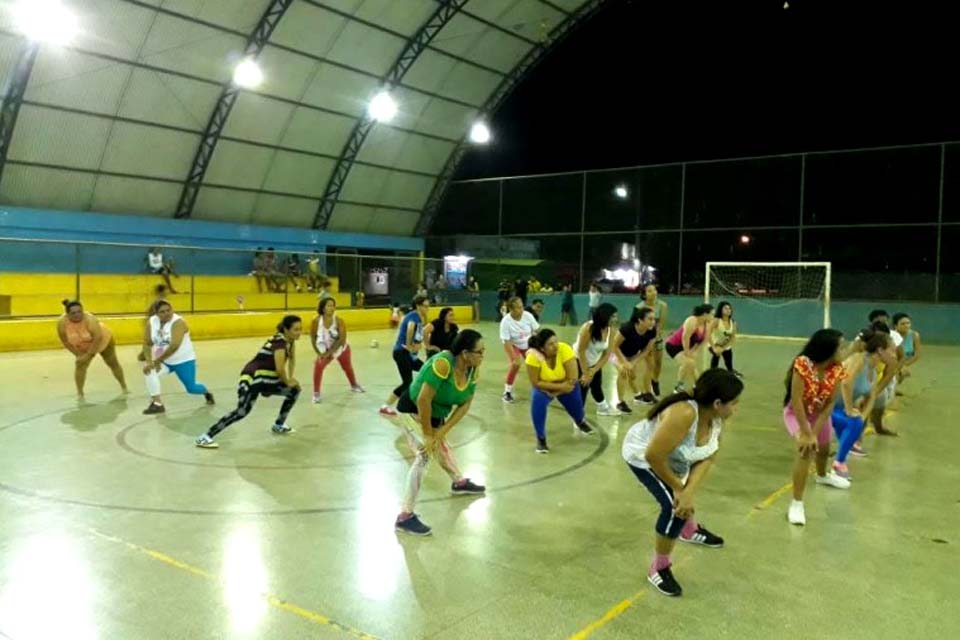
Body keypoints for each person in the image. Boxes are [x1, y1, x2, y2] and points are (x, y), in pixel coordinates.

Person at [623, 368, 743, 597]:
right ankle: (659, 567)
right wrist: (679, 490)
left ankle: (688, 530)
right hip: (644, 457)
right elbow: (653, 456)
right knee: (674, 508)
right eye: (734, 403)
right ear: (717, 403)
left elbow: (708, 456)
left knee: (683, 501)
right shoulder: (684, 414)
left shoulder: (717, 419)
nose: (737, 408)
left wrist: (688, 491)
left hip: (675, 457)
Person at [394, 330, 487, 535]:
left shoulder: (472, 371)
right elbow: (423, 400)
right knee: (424, 455)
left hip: (435, 415)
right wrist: (428, 435)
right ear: (465, 353)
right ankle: (405, 516)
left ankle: (459, 482)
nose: (483, 356)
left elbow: (464, 405)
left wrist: (441, 431)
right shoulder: (442, 364)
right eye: (479, 352)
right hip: (411, 410)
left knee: (441, 446)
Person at [195, 316, 302, 448]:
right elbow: (280, 369)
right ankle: (205, 437)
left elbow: (292, 360)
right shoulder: (280, 343)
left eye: (300, 329)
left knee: (294, 390)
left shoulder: (289, 341)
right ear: (286, 330)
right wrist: (287, 381)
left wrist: (290, 379)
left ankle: (279, 425)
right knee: (242, 411)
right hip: (253, 378)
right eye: (296, 330)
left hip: (266, 378)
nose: (299, 332)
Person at [783, 328, 852, 526]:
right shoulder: (803, 364)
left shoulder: (837, 369)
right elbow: (796, 400)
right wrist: (806, 433)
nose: (845, 350)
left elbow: (830, 403)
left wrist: (815, 432)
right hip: (797, 414)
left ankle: (822, 476)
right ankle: (797, 503)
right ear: (828, 349)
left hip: (819, 414)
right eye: (841, 347)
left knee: (824, 448)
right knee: (806, 450)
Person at [830, 330, 889, 479]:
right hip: (824, 406)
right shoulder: (859, 359)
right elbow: (846, 383)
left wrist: (863, 416)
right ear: (880, 351)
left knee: (856, 423)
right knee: (853, 423)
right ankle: (839, 463)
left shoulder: (873, 371)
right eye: (892, 350)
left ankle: (841, 459)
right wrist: (849, 409)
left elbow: (872, 396)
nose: (894, 355)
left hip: (837, 409)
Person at [525, 329, 594, 453]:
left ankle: (579, 421)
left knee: (578, 409)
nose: (555, 346)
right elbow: (535, 382)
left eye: (556, 341)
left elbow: (573, 378)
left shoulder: (565, 349)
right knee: (537, 402)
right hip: (545, 387)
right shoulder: (532, 358)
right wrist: (560, 388)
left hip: (567, 383)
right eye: (550, 344)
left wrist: (558, 391)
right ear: (542, 348)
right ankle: (541, 439)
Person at [141, 300, 214, 415]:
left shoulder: (178, 322)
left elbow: (174, 345)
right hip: (165, 361)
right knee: (149, 371)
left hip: (183, 361)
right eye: (162, 312)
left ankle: (206, 392)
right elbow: (147, 342)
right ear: (156, 313)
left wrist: (158, 360)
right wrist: (149, 362)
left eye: (168, 310)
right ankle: (157, 404)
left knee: (191, 388)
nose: (167, 313)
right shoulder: (152, 321)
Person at [56, 300, 128, 400]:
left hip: (103, 340)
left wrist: (88, 355)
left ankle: (124, 386)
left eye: (79, 312)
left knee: (112, 362)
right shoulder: (61, 323)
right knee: (80, 364)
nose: (77, 315)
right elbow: (65, 341)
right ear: (67, 315)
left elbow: (98, 338)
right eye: (73, 313)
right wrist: (78, 354)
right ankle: (80, 393)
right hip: (82, 342)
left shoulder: (90, 319)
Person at [380, 296, 430, 416]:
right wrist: (408, 345)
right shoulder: (414, 316)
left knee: (425, 371)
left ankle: (417, 402)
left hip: (408, 355)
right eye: (425, 306)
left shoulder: (418, 317)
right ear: (418, 306)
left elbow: (417, 334)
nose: (427, 309)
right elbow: (410, 328)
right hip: (402, 353)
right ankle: (385, 406)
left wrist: (418, 345)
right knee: (407, 382)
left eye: (428, 306)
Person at [310, 298, 363, 403]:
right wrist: (318, 353)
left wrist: (329, 353)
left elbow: (341, 339)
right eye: (329, 305)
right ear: (323, 308)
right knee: (318, 366)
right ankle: (316, 393)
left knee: (347, 367)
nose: (332, 308)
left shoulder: (339, 320)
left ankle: (354, 385)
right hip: (324, 349)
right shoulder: (316, 320)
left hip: (340, 349)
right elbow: (313, 337)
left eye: (333, 305)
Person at [574, 303, 620, 416]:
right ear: (604, 316)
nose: (616, 319)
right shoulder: (589, 328)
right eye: (613, 316)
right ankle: (578, 416)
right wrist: (586, 373)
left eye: (616, 316)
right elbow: (581, 351)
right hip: (578, 360)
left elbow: (607, 353)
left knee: (596, 385)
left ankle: (602, 408)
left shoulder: (611, 330)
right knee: (583, 386)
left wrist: (594, 370)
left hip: (594, 361)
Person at [611, 306, 658, 413]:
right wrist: (624, 362)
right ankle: (620, 402)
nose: (653, 322)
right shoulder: (627, 329)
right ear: (640, 320)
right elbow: (614, 346)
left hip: (632, 355)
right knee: (623, 372)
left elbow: (646, 351)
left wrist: (633, 362)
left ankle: (637, 396)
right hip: (615, 353)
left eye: (654, 319)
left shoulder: (652, 332)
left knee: (632, 375)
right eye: (650, 319)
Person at [664, 304, 713, 393]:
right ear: (705, 314)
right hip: (673, 345)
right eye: (711, 314)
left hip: (688, 347)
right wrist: (687, 352)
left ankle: (683, 386)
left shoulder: (707, 325)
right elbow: (685, 337)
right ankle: (697, 385)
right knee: (689, 363)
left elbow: (703, 340)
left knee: (688, 364)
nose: (713, 317)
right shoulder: (692, 320)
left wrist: (694, 351)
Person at [499, 296, 540, 403]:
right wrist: (514, 358)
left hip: (528, 344)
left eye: (522, 306)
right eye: (518, 308)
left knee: (537, 363)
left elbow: (537, 330)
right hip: (513, 345)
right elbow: (506, 341)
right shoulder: (505, 322)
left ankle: (540, 387)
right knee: (516, 364)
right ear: (511, 309)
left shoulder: (528, 316)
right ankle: (507, 392)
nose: (522, 310)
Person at [638, 284, 668, 397]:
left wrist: (655, 336)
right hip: (644, 339)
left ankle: (655, 380)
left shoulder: (662, 305)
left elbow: (661, 324)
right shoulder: (639, 307)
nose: (654, 292)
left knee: (658, 363)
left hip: (657, 338)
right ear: (644, 294)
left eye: (654, 290)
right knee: (649, 365)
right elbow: (638, 325)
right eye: (650, 291)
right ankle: (647, 392)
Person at [708, 301, 741, 377]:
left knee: (728, 361)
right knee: (717, 354)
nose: (728, 310)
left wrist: (723, 348)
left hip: (725, 345)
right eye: (725, 308)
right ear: (721, 310)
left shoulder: (733, 323)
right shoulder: (716, 321)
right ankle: (712, 374)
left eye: (729, 308)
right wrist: (714, 347)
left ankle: (731, 371)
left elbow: (732, 338)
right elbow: (707, 334)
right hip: (713, 344)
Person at [892, 312, 921, 382]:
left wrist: (904, 365)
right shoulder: (891, 335)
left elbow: (917, 355)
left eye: (908, 323)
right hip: (893, 362)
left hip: (908, 362)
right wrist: (899, 367)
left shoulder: (914, 335)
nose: (906, 326)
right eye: (902, 324)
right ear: (895, 326)